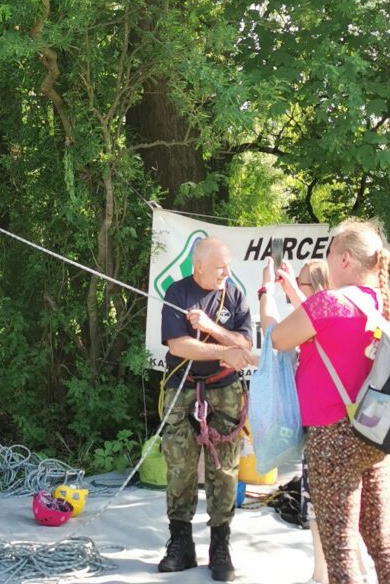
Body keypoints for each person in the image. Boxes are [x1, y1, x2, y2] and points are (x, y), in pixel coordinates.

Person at [264, 219, 390, 584]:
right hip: (373, 432)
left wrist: (265, 292)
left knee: (340, 549)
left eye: (330, 253)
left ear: (345, 259)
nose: (328, 261)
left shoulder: (328, 303)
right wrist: (295, 290)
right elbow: (328, 331)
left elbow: (278, 338)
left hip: (333, 437)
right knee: (381, 541)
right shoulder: (380, 303)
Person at [158, 236, 254, 582]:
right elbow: (179, 345)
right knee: (180, 467)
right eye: (219, 267)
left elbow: (245, 344)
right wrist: (222, 351)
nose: (226, 272)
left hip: (225, 389)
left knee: (224, 469)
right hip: (183, 387)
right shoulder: (178, 293)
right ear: (198, 266)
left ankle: (220, 546)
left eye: (228, 266)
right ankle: (181, 543)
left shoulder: (235, 295)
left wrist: (212, 329)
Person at [259, 258, 334, 584]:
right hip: (346, 426)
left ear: (316, 288)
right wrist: (292, 286)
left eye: (301, 283)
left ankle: (322, 575)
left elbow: (272, 334)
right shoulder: (337, 314)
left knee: (319, 507)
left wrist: (265, 290)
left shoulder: (318, 315)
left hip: (323, 427)